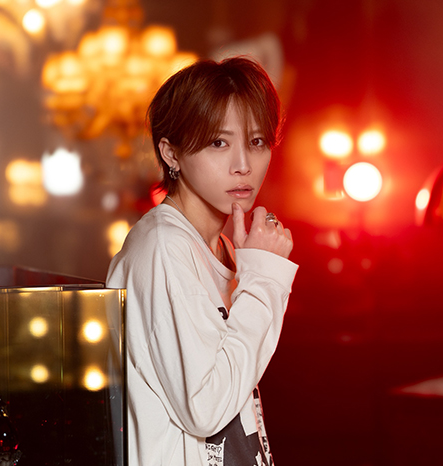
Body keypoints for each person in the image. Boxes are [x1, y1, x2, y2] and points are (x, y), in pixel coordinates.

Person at [106, 57, 297, 466]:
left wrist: (253, 270)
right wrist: (264, 278)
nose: (243, 165)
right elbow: (204, 408)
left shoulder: (223, 248)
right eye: (218, 143)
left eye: (257, 142)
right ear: (170, 153)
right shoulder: (163, 247)